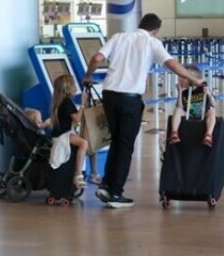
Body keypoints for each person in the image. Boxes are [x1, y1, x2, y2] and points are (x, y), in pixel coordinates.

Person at [83, 13, 204, 208]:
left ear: (140, 24)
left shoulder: (119, 37)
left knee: (116, 140)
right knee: (125, 145)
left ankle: (106, 185)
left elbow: (97, 58)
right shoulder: (151, 43)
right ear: (155, 30)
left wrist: (88, 77)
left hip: (109, 96)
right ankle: (115, 193)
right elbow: (172, 64)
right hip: (129, 100)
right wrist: (195, 79)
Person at [167, 65, 217, 147]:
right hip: (188, 112)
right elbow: (180, 106)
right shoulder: (184, 91)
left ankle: (208, 135)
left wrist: (209, 94)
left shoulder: (203, 88)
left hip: (203, 112)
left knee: (211, 111)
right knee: (178, 110)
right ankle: (174, 133)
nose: (180, 80)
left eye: (183, 78)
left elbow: (213, 104)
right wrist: (180, 92)